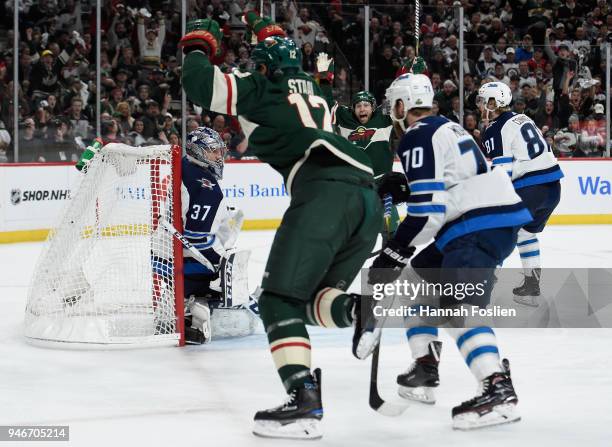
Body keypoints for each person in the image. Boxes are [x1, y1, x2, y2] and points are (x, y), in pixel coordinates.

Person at [179, 14, 381, 440]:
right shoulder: (319, 93)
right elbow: (285, 64)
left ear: (264, 67)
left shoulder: (261, 86)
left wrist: (198, 46)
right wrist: (265, 30)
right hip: (367, 199)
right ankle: (357, 310)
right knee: (310, 300)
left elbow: (200, 85)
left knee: (275, 301)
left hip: (323, 191)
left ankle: (304, 399)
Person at [354, 73, 531, 429]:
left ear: (402, 105)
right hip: (480, 220)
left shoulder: (416, 135)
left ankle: (497, 387)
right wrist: (406, 185)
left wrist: (395, 251)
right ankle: (425, 366)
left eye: (394, 107)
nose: (392, 113)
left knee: (456, 308)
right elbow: (454, 177)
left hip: (476, 224)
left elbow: (428, 213)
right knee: (415, 285)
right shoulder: (449, 127)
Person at [479, 82, 563, 306]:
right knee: (525, 233)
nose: (480, 105)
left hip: (530, 187)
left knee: (498, 231)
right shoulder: (522, 118)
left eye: (483, 100)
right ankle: (531, 287)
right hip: (553, 187)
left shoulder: (495, 128)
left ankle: (482, 287)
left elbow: (503, 170)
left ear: (493, 103)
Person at [173, 127, 250, 344]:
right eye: (214, 151)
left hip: (163, 257)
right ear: (198, 150)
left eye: (220, 151)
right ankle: (192, 307)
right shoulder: (206, 189)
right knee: (225, 267)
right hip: (182, 267)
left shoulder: (183, 166)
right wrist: (221, 264)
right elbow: (197, 242)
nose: (220, 156)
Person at [316, 52, 400, 232]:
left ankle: (393, 244)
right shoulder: (345, 118)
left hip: (382, 181)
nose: (362, 109)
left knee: (390, 222)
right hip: (356, 182)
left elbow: (399, 97)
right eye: (358, 106)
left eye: (366, 105)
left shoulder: (384, 118)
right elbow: (326, 102)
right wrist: (324, 79)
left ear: (373, 107)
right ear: (352, 108)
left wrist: (406, 72)